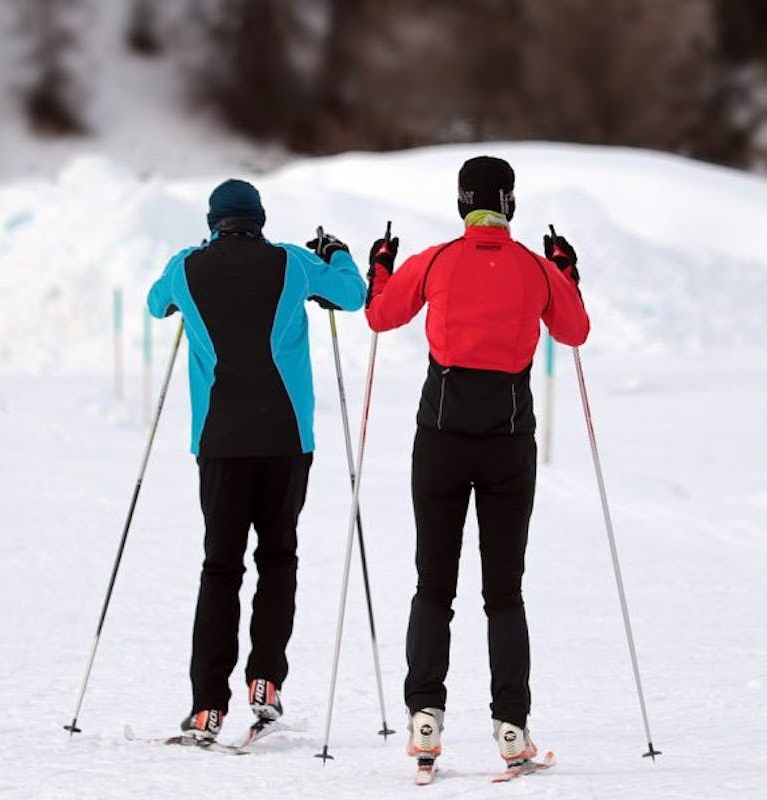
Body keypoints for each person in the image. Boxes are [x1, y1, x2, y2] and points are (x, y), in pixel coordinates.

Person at [364, 156, 590, 770]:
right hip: (509, 443)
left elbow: (381, 316)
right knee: (504, 593)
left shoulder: (435, 260)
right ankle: (512, 727)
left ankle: (425, 719)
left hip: (439, 438)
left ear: (462, 203)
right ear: (510, 203)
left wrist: (379, 268)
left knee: (433, 585)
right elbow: (575, 331)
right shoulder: (537, 270)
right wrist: (567, 272)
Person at [147, 178, 366, 741]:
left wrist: (185, 256)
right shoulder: (291, 263)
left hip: (219, 441)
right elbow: (352, 294)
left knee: (220, 566)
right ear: (261, 219)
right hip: (287, 439)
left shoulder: (187, 268)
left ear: (213, 221)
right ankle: (266, 679)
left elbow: (155, 304)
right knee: (278, 558)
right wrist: (335, 250)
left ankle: (206, 706)